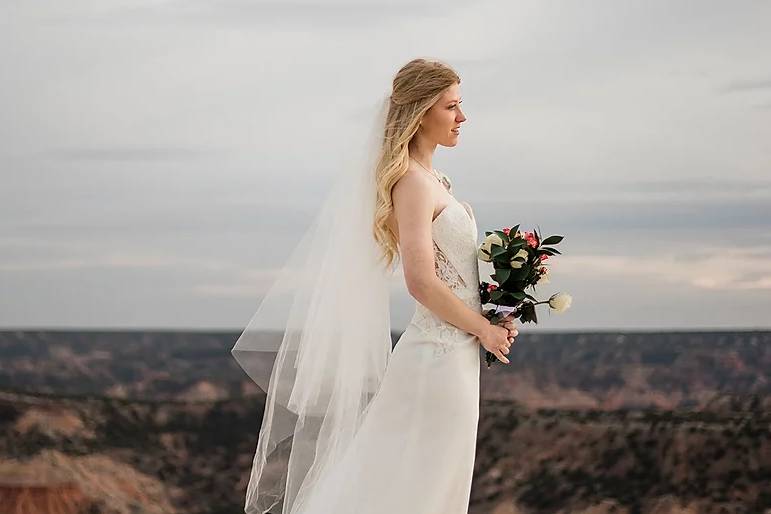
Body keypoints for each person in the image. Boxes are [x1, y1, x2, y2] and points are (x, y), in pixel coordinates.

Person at [231, 58, 519, 514]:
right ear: (423, 111)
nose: (462, 118)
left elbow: (453, 275)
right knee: (418, 487)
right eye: (452, 107)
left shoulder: (436, 180)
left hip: (455, 354)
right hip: (436, 358)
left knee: (434, 480)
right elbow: (421, 281)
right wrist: (483, 329)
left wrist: (493, 314)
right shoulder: (412, 183)